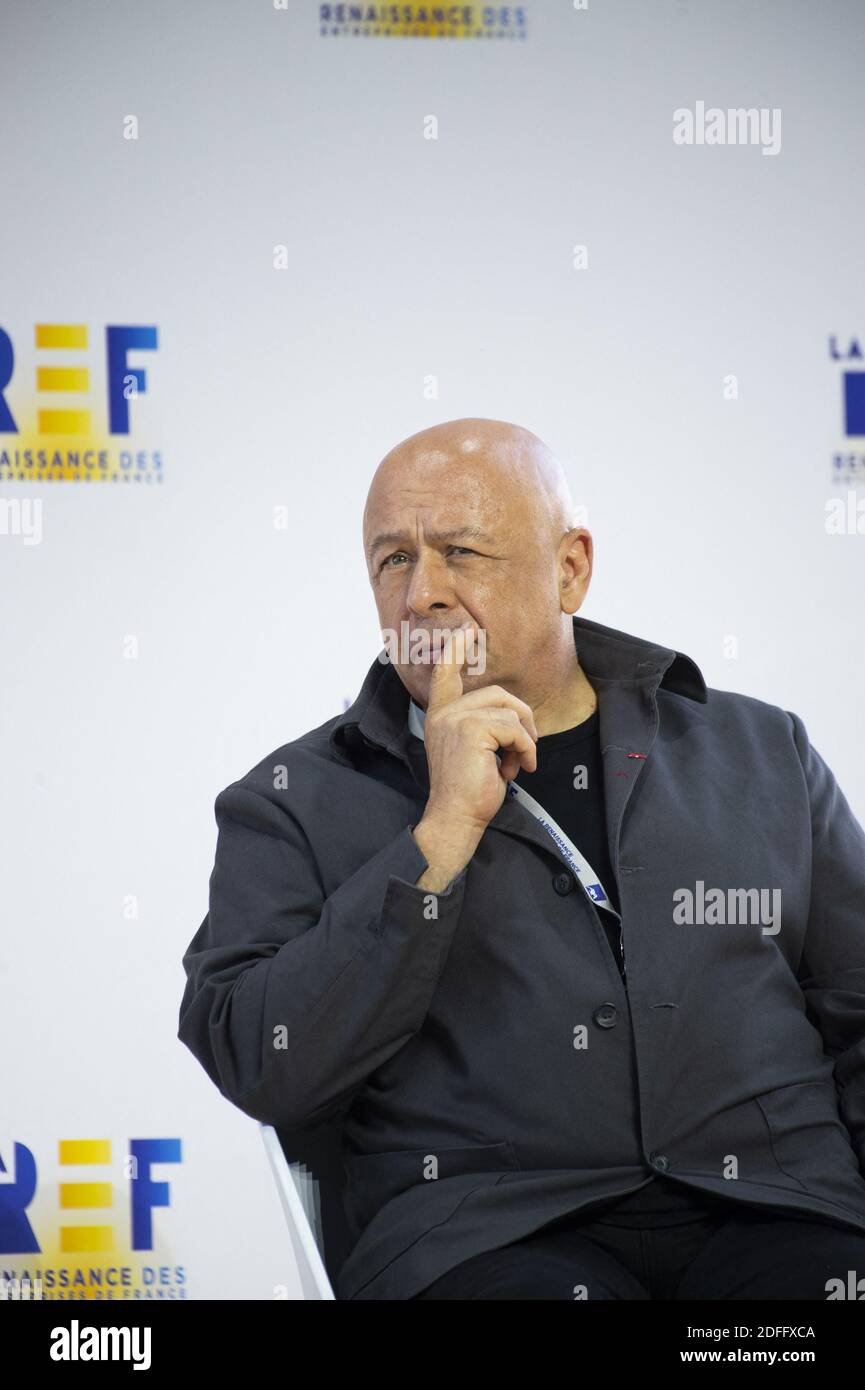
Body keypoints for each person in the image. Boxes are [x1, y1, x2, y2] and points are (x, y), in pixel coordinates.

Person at [178, 418, 865, 1300]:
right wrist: (437, 838)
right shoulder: (291, 797)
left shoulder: (758, 747)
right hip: (488, 1240)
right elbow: (259, 1057)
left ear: (569, 567)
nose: (422, 592)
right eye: (393, 560)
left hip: (778, 1219)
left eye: (461, 552)